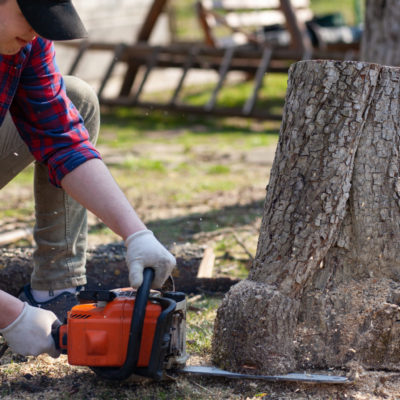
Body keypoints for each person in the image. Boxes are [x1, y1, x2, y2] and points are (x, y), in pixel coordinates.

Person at [0, 0, 176, 359]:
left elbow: (63, 141)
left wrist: (137, 234)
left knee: (75, 97)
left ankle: (54, 290)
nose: (35, 30)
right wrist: (10, 316)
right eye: (28, 17)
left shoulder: (26, 44)